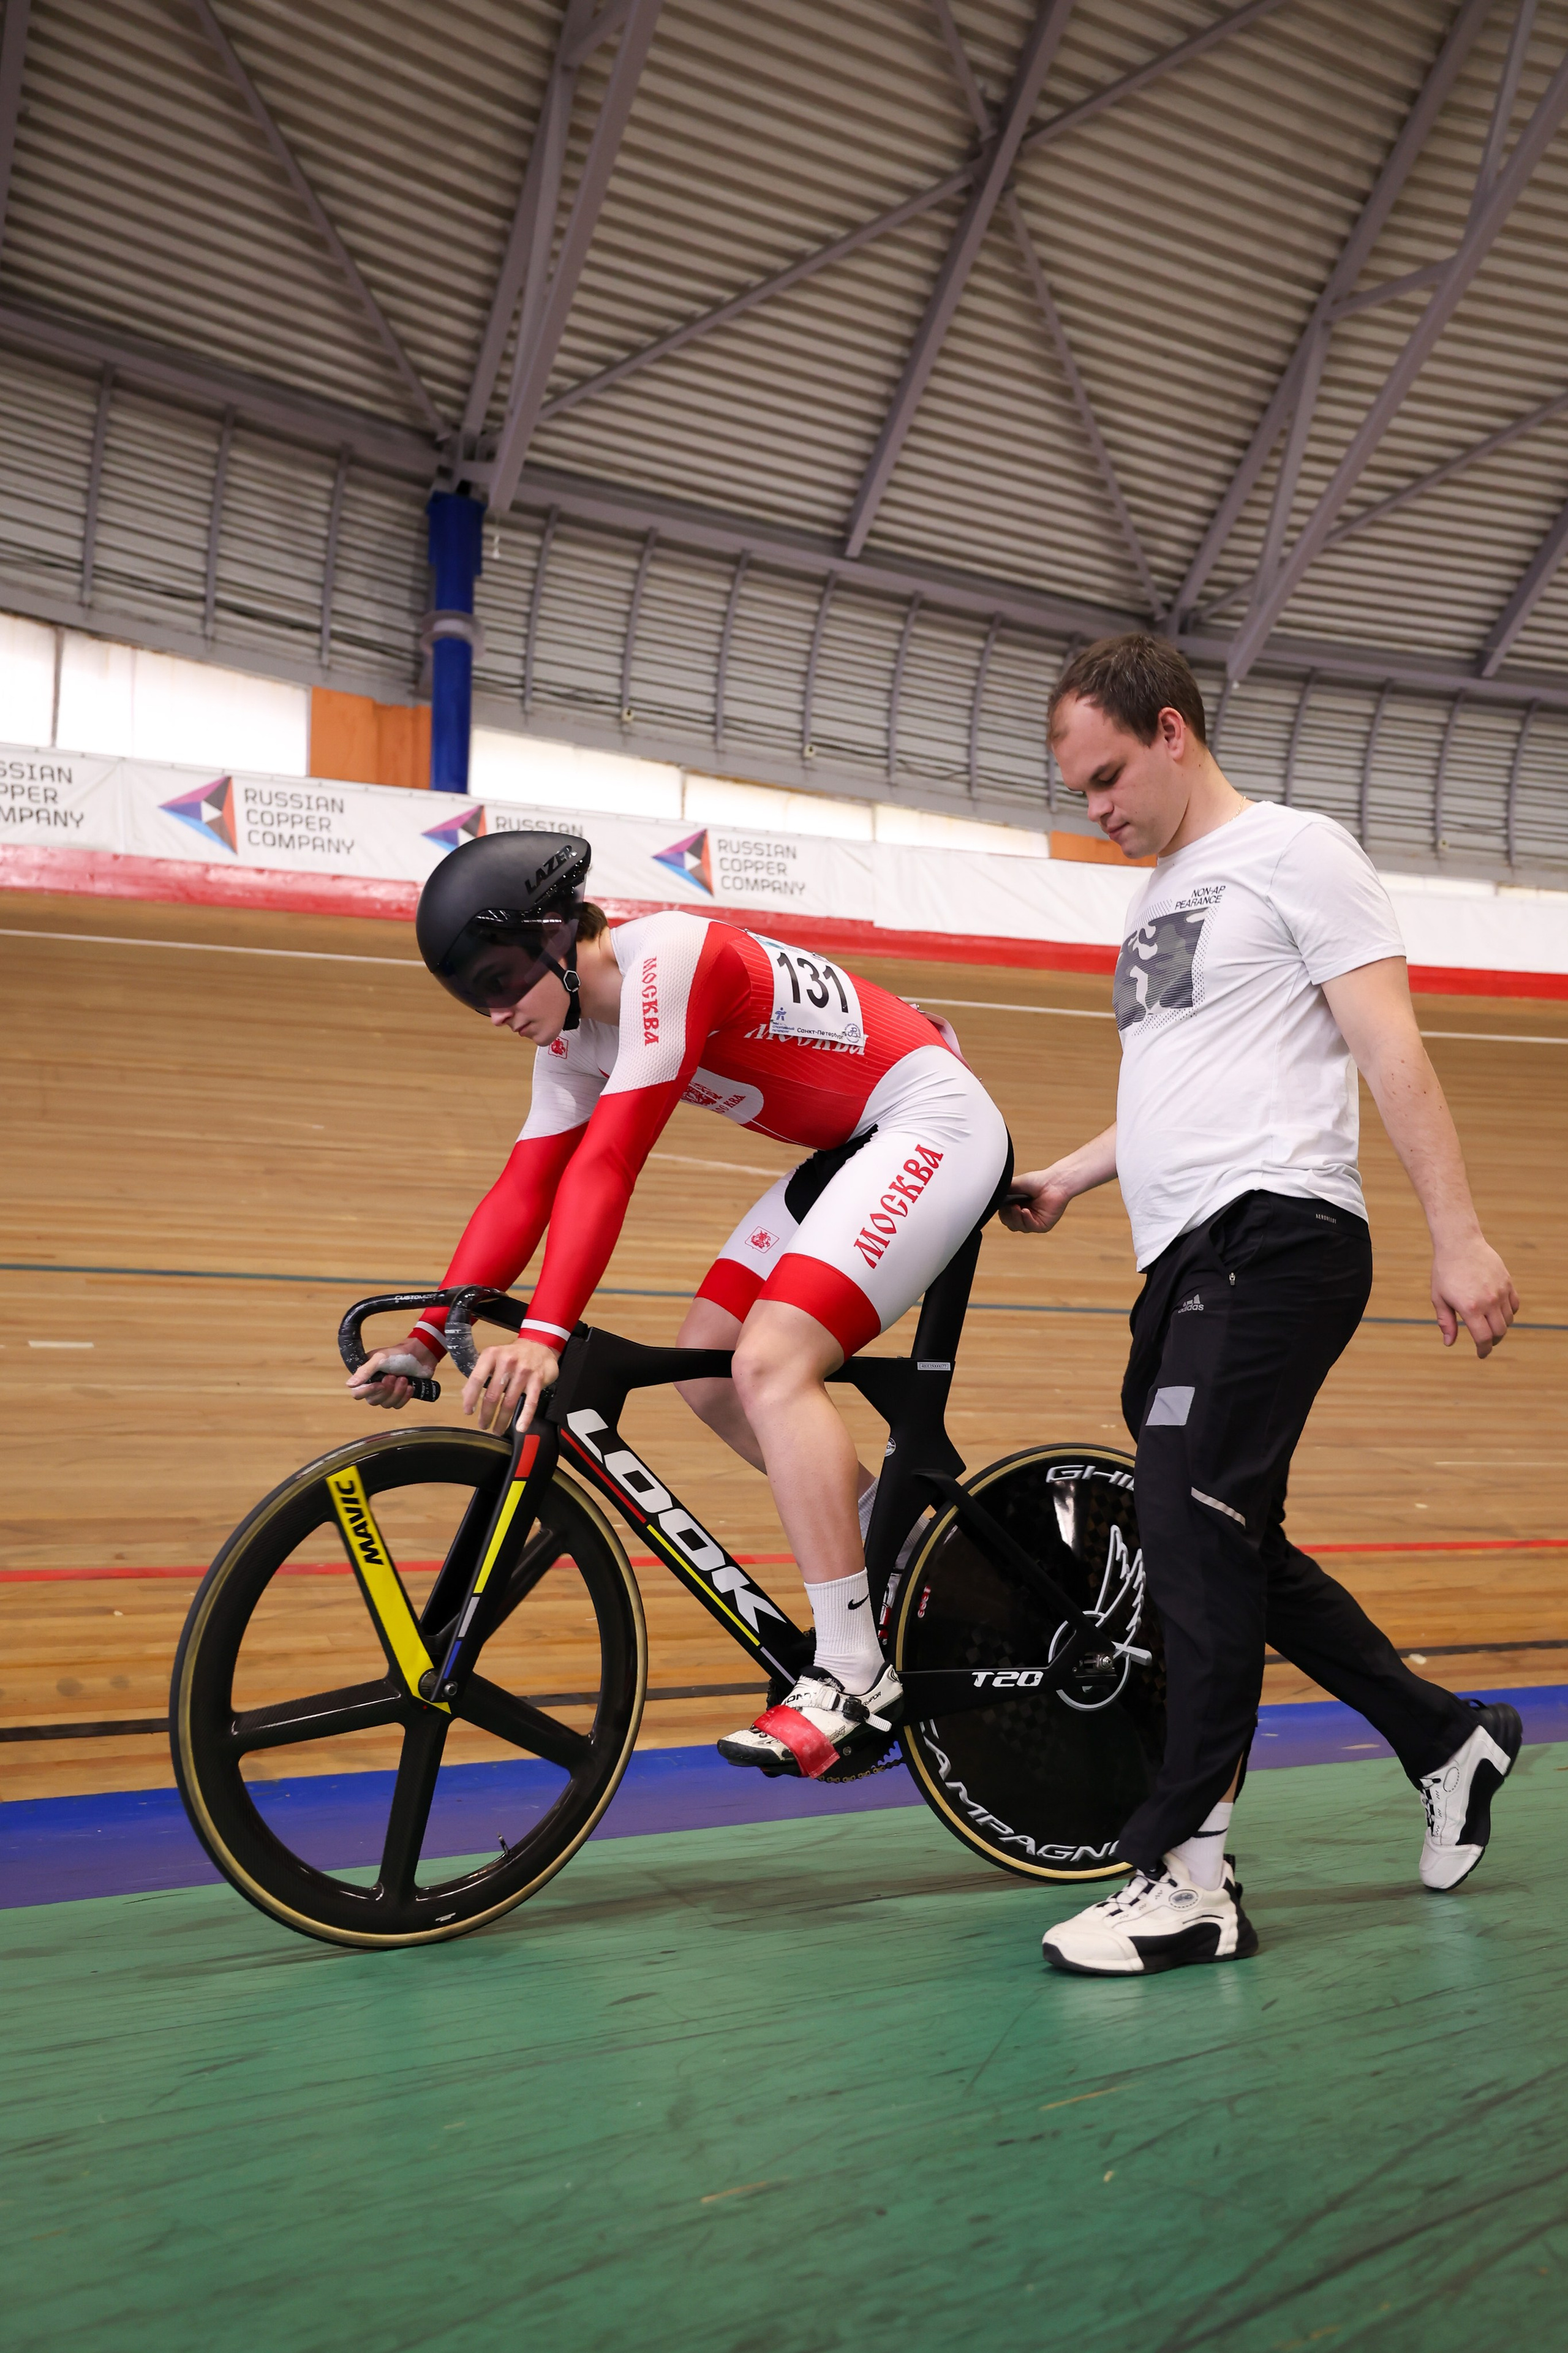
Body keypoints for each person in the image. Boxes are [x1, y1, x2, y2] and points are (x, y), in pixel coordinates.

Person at [1004, 634, 1521, 1979]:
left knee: (1186, 1523)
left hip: (1279, 1234)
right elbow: (1178, 1083)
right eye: (1079, 791)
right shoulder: (1156, 898)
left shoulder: (1298, 852)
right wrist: (1070, 1173)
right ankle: (1446, 1740)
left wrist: (1458, 1235)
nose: (1097, 808)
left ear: (1172, 732)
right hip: (1179, 1256)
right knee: (1227, 1537)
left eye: (1109, 776)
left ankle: (1190, 1879)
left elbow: (1388, 1046)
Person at [349, 828, 1011, 1778]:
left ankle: (853, 1673)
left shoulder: (667, 963)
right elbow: (525, 1188)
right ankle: (907, 1545)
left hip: (930, 1123)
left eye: (501, 980)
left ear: (555, 936)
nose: (495, 1014)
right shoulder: (574, 1037)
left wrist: (544, 1334)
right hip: (856, 1145)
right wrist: (426, 1333)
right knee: (710, 1370)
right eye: (473, 996)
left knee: (771, 1363)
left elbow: (609, 1163)